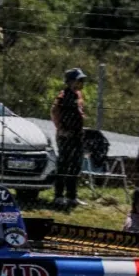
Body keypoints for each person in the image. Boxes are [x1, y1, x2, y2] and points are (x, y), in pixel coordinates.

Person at [51, 68, 88, 208]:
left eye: (82, 80)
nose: (81, 83)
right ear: (70, 82)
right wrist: (60, 129)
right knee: (64, 165)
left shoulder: (78, 95)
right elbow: (54, 111)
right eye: (79, 80)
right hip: (66, 136)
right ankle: (59, 196)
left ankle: (72, 196)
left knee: (75, 166)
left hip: (77, 135)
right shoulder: (63, 96)